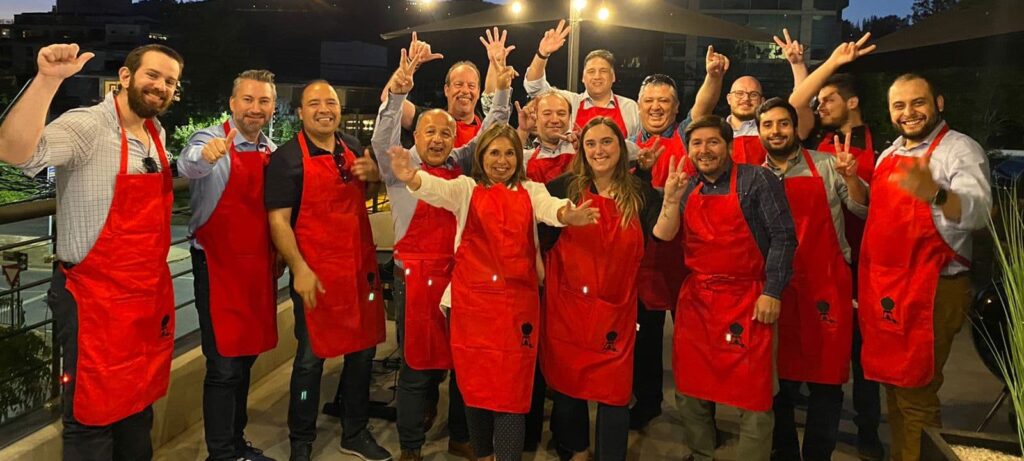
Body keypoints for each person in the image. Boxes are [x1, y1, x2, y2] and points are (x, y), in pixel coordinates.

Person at [0, 43, 181, 459]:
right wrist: (47, 81)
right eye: (153, 75)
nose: (161, 86)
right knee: (91, 413)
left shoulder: (156, 134)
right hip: (92, 297)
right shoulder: (87, 125)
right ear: (125, 77)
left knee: (138, 403)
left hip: (145, 295)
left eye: (170, 81)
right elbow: (13, 151)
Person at [387, 123, 598, 461]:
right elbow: (437, 190)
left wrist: (566, 214)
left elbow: (551, 208)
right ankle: (483, 455)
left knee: (512, 394)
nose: (502, 161)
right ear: (481, 156)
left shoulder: (531, 190)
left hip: (517, 307)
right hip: (470, 306)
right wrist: (413, 178)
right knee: (474, 390)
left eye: (510, 153)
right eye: (494, 153)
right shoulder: (466, 189)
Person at [372, 37, 514, 461]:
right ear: (416, 135)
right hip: (414, 279)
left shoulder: (462, 162)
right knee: (416, 367)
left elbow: (493, 129)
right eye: (430, 131)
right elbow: (382, 137)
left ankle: (460, 436)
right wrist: (399, 92)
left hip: (460, 277)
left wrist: (502, 88)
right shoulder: (399, 166)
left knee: (463, 364)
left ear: (455, 138)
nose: (438, 139)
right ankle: (411, 447)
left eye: (446, 133)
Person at [859, 73, 991, 461]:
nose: (909, 112)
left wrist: (935, 193)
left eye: (918, 102)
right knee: (894, 387)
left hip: (933, 288)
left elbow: (979, 213)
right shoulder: (889, 155)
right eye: (899, 105)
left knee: (916, 391)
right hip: (888, 287)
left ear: (939, 103)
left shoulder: (959, 150)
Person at [654, 115, 797, 461]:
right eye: (697, 144)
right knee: (690, 388)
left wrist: (772, 292)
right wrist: (670, 200)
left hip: (749, 298)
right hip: (698, 300)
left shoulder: (757, 180)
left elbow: (783, 237)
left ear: (729, 146)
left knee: (754, 393)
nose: (704, 150)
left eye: (713, 142)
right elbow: (663, 236)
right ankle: (701, 452)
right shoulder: (686, 186)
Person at [264, 79, 390, 461]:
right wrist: (299, 268)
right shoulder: (287, 159)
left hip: (358, 269)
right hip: (315, 275)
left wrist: (375, 177)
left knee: (363, 353)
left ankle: (355, 430)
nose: (324, 109)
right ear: (300, 112)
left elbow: (366, 197)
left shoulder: (351, 146)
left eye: (331, 102)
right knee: (310, 359)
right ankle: (301, 438)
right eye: (315, 103)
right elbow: (278, 221)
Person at [537, 117, 663, 461]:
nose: (598, 150)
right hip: (567, 306)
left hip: (616, 309)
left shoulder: (640, 193)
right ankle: (577, 450)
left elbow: (660, 234)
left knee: (614, 391)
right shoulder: (561, 188)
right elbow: (536, 230)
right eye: (591, 143)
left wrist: (671, 199)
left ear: (621, 148)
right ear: (582, 150)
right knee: (568, 387)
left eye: (606, 142)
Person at [787, 33, 884, 460]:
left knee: (862, 356)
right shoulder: (815, 144)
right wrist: (805, 66)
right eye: (819, 101)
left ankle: (867, 429)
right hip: (822, 264)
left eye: (828, 100)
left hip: (867, 263)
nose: (820, 106)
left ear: (853, 102)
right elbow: (795, 104)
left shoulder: (882, 147)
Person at [755, 98, 867, 461]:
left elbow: (861, 207)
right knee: (779, 384)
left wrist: (851, 177)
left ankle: (819, 455)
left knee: (826, 384)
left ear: (795, 127)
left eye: (782, 123)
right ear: (759, 132)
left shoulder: (828, 165)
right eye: (768, 125)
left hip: (826, 285)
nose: (776, 131)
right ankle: (784, 452)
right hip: (778, 288)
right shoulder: (754, 177)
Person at [177, 69, 279, 461]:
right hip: (216, 267)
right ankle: (221, 453)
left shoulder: (271, 150)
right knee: (222, 366)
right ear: (233, 103)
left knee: (246, 357)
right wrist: (205, 156)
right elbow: (189, 164)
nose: (255, 108)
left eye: (263, 101)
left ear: (273, 107)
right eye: (248, 100)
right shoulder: (209, 139)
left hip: (257, 269)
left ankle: (237, 444)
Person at [627, 49, 726, 430]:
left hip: (689, 257)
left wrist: (713, 76)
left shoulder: (687, 135)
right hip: (644, 259)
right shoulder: (626, 143)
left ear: (676, 107)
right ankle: (647, 402)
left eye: (664, 101)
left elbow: (704, 107)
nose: (656, 107)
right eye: (649, 101)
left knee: (697, 343)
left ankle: (703, 415)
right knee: (646, 341)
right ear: (638, 106)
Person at [524, 19, 640, 138]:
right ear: (583, 78)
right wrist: (542, 53)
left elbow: (640, 143)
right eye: (591, 71)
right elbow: (535, 87)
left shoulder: (630, 107)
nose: (597, 76)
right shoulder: (568, 102)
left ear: (613, 76)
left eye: (603, 71)